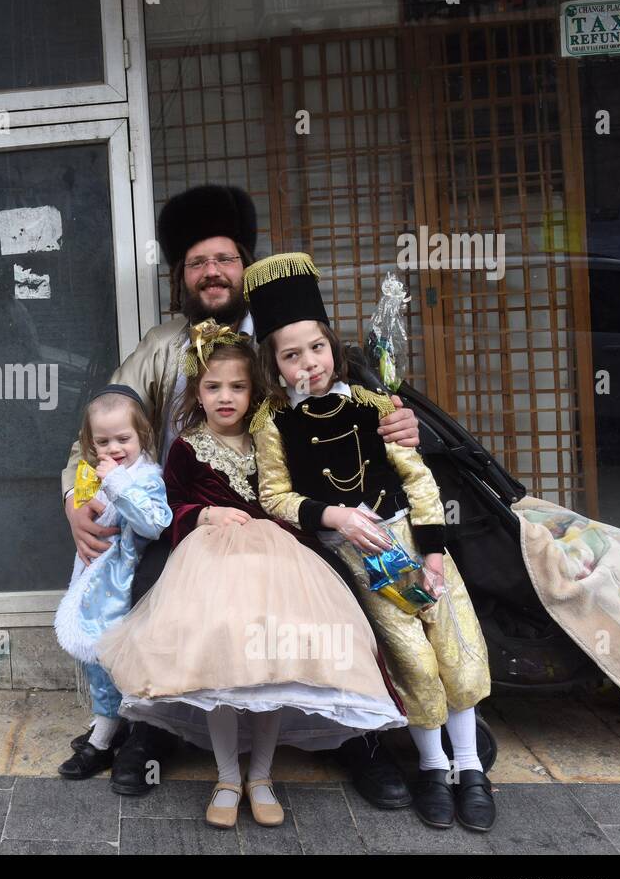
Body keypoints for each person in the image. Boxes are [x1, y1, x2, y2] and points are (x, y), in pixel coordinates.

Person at [60, 184, 421, 801]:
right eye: (197, 263)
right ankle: (148, 734)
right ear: (181, 277)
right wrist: (76, 498)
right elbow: (97, 436)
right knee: (149, 586)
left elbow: (358, 407)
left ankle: (357, 741)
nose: (212, 273)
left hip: (291, 512)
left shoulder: (286, 335)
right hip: (187, 518)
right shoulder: (157, 348)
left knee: (342, 595)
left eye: (224, 259)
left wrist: (399, 426)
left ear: (244, 265)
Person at [99, 321, 405, 828]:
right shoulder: (187, 447)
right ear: (196, 391)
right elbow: (167, 508)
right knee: (223, 663)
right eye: (213, 387)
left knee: (270, 664)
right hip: (211, 565)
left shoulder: (275, 434)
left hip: (277, 562)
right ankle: (226, 775)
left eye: (238, 387)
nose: (225, 397)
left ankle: (261, 775)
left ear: (255, 390)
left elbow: (296, 492)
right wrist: (203, 515)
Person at [246, 252, 495, 832]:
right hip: (363, 561)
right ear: (274, 366)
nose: (307, 362)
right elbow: (275, 497)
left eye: (316, 347)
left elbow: (420, 481)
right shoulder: (272, 425)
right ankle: (433, 767)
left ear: (332, 346)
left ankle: (470, 767)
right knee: (410, 658)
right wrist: (333, 515)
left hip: (414, 543)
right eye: (290, 355)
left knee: (454, 645)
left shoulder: (374, 407)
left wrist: (433, 553)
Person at [53, 387, 171, 779]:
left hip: (125, 588)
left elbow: (154, 523)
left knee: (119, 663)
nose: (114, 448)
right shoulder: (97, 476)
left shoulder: (146, 478)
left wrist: (119, 483)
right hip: (96, 587)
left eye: (124, 439)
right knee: (97, 664)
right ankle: (108, 727)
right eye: (103, 441)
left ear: (143, 438)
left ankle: (113, 737)